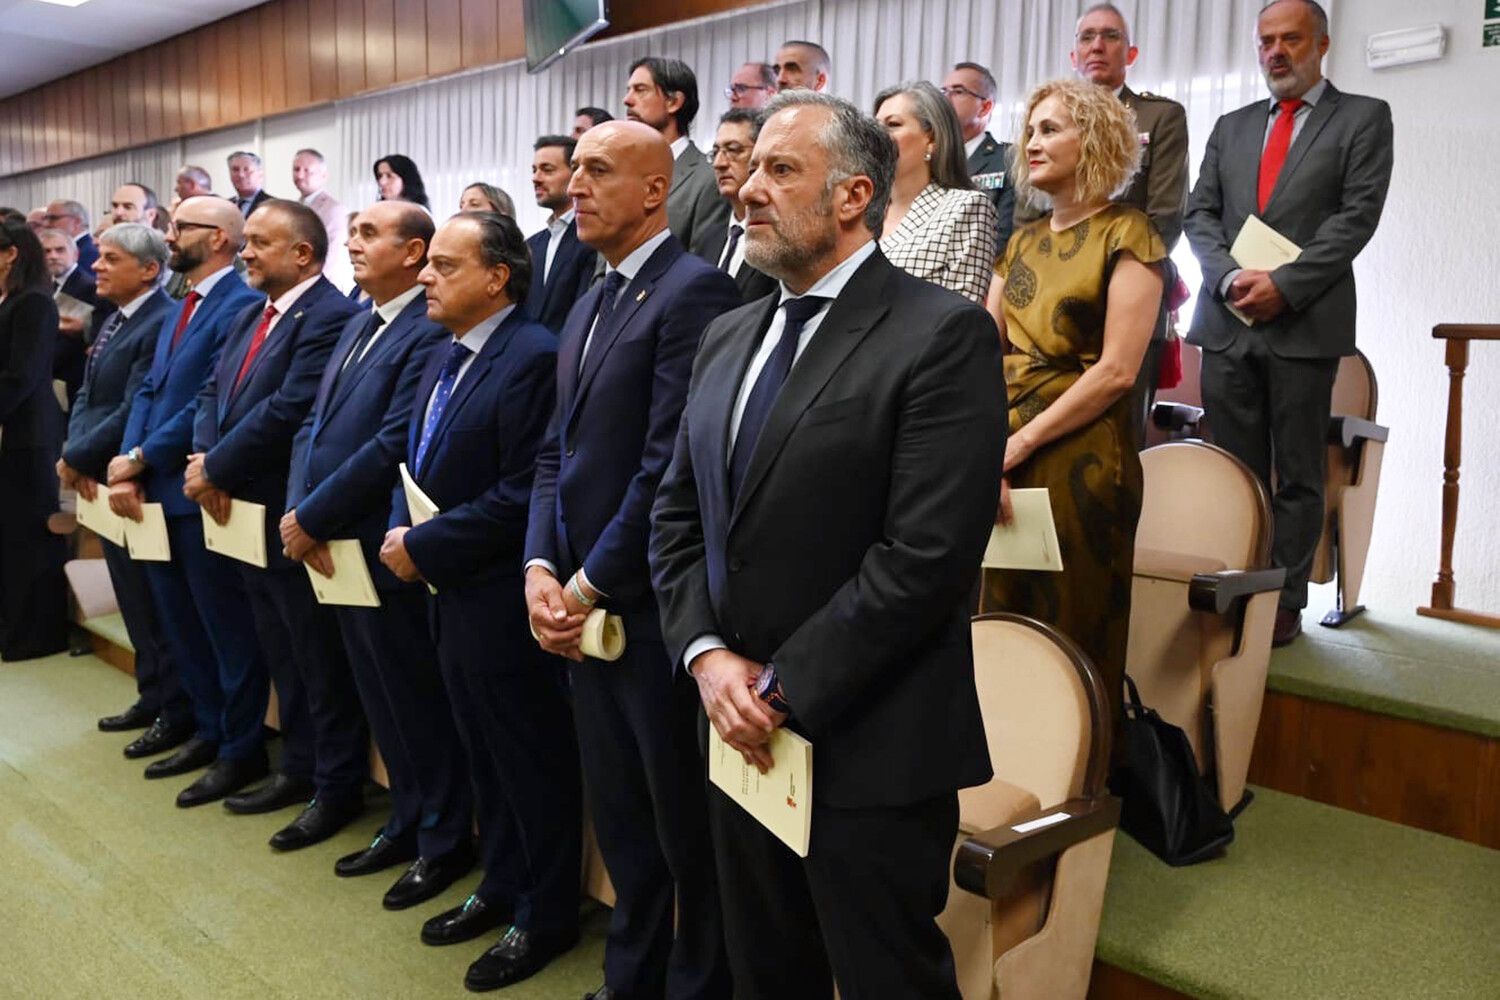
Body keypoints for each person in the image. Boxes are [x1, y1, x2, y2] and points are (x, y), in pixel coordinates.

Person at [648, 90, 1005, 999]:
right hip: (738, 731)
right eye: (749, 168)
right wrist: (706, 660)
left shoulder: (941, 333)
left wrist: (776, 685)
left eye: (780, 170)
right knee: (768, 973)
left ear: (853, 196)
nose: (746, 191)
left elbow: (922, 559)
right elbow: (677, 517)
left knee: (889, 979)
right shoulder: (728, 334)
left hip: (869, 740)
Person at [524, 120, 740, 1000]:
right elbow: (553, 452)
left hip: (647, 608)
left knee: (681, 824)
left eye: (598, 170)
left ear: (656, 190)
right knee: (619, 819)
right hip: (579, 603)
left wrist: (585, 582)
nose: (576, 184)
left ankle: (695, 985)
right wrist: (539, 568)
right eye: (573, 169)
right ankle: (631, 977)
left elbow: (667, 467)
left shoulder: (697, 293)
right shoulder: (588, 296)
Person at [380, 212, 578, 992]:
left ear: (497, 277)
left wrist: (422, 545)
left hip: (499, 594)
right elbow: (413, 461)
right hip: (448, 591)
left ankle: (546, 913)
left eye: (443, 265)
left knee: (529, 763)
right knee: (482, 755)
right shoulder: (445, 351)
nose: (425, 277)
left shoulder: (531, 355)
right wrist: (404, 530)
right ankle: (500, 885)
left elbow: (526, 487)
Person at [281, 200, 473, 901]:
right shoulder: (362, 320)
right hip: (330, 540)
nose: (353, 244)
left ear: (415, 252)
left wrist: (316, 514)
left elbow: (390, 443)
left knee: (413, 702)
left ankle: (441, 839)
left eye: (369, 234)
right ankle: (404, 819)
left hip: (377, 546)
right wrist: (300, 508)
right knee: (378, 698)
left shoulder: (424, 331)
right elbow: (315, 423)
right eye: (352, 231)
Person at [1185, 0, 1392, 646]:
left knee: (1296, 474)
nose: (1276, 51)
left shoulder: (1363, 118)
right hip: (1226, 323)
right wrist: (1224, 278)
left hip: (1303, 327)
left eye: (1290, 39)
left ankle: (1283, 601)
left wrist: (1285, 285)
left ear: (1321, 44)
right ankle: (1234, 586)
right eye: (1266, 40)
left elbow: (1355, 219)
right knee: (1233, 471)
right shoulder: (1232, 124)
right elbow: (1201, 216)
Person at [981, 78, 1165, 729]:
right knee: (997, 618)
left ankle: (1082, 792)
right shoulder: (1022, 241)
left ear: (1097, 139)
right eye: (1031, 130)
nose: (1032, 141)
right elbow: (982, 353)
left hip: (1081, 460)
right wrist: (987, 454)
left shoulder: (1129, 233)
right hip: (1000, 453)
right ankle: (1008, 774)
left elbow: (1116, 371)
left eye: (1051, 128)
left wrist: (1019, 446)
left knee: (1073, 626)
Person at [183, 200, 366, 848]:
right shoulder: (253, 314)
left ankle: (333, 784)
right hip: (235, 507)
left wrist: (218, 469)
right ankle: (298, 767)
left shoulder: (329, 315)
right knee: (280, 652)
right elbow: (213, 393)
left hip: (283, 507)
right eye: (247, 242)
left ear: (303, 255)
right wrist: (208, 461)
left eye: (260, 242)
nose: (246, 253)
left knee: (316, 660)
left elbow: (289, 409)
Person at [109, 196, 266, 803]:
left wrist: (143, 457)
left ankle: (238, 747)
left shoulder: (240, 304)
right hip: (154, 488)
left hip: (197, 490)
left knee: (223, 630)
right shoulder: (184, 303)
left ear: (221, 238)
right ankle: (205, 728)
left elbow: (203, 398)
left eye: (180, 227)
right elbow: (150, 388)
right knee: (180, 625)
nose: (168, 236)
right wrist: (127, 462)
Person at [56, 224, 187, 749]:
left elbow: (136, 406)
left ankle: (174, 708)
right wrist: (75, 453)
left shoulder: (161, 322)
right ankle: (151, 695)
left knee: (157, 604)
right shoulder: (113, 318)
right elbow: (88, 395)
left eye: (111, 259)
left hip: (135, 478)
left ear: (150, 270)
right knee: (131, 598)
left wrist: (81, 456)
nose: (97, 267)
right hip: (99, 472)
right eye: (100, 256)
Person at [1072, 2, 1190, 444]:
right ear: (1073, 56)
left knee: (1116, 449)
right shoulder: (1049, 120)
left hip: (1126, 298)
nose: (1098, 46)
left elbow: (1165, 218)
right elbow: (1030, 217)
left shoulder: (1160, 117)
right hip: (1055, 307)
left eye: (1110, 36)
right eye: (1087, 37)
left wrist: (1103, 280)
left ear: (1131, 53)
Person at [0, 213, 69, 662]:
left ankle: (36, 634)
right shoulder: (11, 300)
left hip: (28, 434)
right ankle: (12, 628)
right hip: (12, 431)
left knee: (29, 536)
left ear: (10, 255)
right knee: (9, 536)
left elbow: (21, 375)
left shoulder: (35, 303)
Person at [873, 81, 998, 304]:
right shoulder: (862, 210)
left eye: (893, 124)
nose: (877, 135)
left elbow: (962, 319)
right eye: (875, 126)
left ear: (932, 139)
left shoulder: (966, 207)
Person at [624, 56, 728, 260]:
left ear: (673, 102)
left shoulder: (708, 179)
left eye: (640, 90)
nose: (627, 99)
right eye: (628, 89)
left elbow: (701, 265)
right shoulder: (625, 173)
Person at [701, 108, 778, 302]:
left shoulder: (777, 237)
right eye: (715, 152)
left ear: (761, 154)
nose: (719, 163)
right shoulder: (708, 239)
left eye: (733, 150)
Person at [523, 135, 596, 335]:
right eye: (534, 170)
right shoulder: (531, 245)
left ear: (575, 175)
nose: (536, 178)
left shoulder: (592, 239)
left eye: (547, 170)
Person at [942, 61, 1017, 253]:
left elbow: (1005, 238)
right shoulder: (928, 160)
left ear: (985, 107)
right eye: (943, 92)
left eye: (958, 92)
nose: (945, 99)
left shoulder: (1008, 159)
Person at [39, 227, 103, 406]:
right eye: (46, 251)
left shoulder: (91, 287)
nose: (53, 256)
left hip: (73, 376)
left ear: (75, 254)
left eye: (60, 250)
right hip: (48, 378)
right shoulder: (44, 285)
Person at [293, 148, 355, 293]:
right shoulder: (294, 207)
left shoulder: (335, 210)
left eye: (307, 171)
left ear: (323, 175)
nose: (300, 175)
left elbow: (332, 259)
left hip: (320, 289)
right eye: (296, 169)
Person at [44, 199, 98, 272]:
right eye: (46, 219)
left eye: (53, 218)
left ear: (77, 222)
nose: (46, 224)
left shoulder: (90, 253)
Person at [228, 151, 274, 217]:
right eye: (236, 170)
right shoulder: (225, 206)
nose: (241, 175)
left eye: (247, 169)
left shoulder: (273, 206)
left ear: (260, 174)